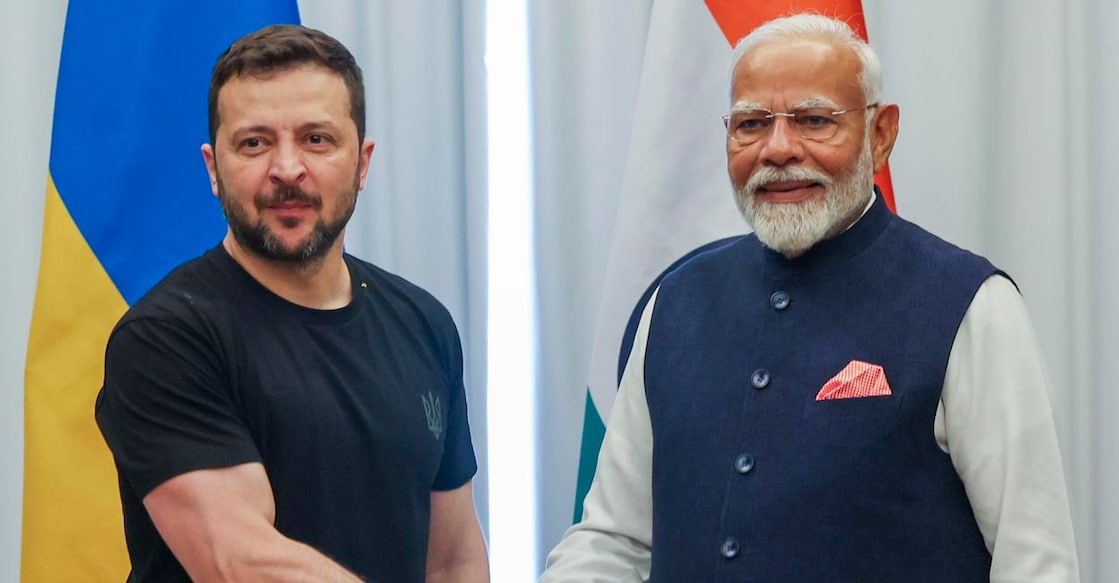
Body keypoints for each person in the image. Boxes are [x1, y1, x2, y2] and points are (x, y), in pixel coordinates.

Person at [541, 13, 1079, 582]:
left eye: (814, 120)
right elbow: (612, 541)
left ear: (881, 134)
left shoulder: (971, 307)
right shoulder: (673, 302)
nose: (777, 149)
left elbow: (1036, 562)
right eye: (751, 124)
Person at [95, 24, 488, 582]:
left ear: (363, 162)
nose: (287, 169)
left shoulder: (424, 324)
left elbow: (453, 561)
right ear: (213, 168)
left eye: (316, 139)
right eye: (254, 142)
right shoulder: (166, 338)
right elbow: (243, 564)